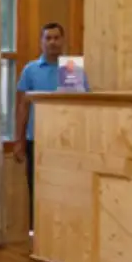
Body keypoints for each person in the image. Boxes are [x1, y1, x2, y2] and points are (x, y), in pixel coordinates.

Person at [14, 22, 87, 231]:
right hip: (36, 140)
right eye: (48, 38)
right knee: (37, 190)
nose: (53, 42)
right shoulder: (31, 70)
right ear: (41, 42)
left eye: (56, 38)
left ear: (63, 41)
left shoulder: (71, 69)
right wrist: (19, 141)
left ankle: (63, 235)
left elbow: (80, 106)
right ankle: (36, 237)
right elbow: (22, 107)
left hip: (65, 142)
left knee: (65, 190)